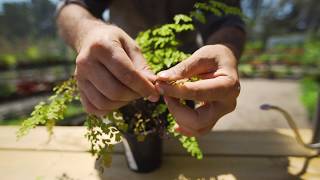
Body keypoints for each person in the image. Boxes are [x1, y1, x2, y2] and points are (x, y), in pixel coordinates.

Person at [56, 0, 246, 137]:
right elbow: (72, 6)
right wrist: (88, 32)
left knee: (186, 132)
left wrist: (224, 48)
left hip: (187, 81)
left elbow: (228, 20)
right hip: (120, 78)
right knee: (138, 135)